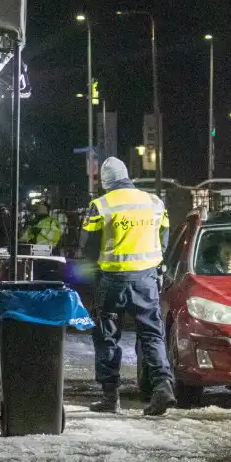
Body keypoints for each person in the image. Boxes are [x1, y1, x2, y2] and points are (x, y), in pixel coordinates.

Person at [81, 157, 176, 416]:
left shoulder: (100, 205)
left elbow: (88, 248)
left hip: (112, 281)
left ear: (105, 182)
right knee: (152, 335)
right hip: (146, 279)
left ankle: (111, 396)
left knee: (107, 336)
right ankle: (162, 386)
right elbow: (164, 240)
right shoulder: (154, 203)